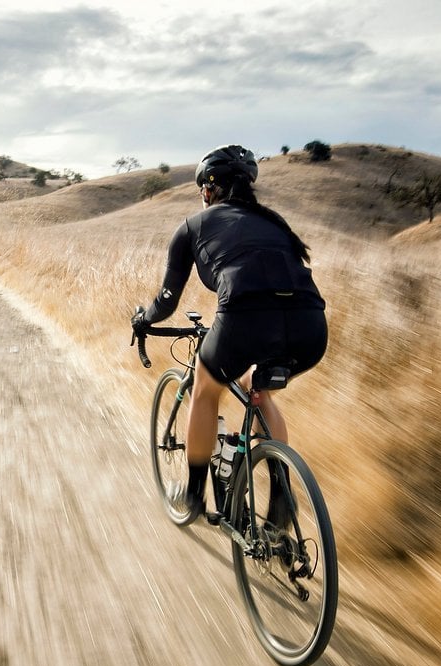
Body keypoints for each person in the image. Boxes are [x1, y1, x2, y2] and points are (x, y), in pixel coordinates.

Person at [131, 144, 327, 518]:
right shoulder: (275, 222)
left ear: (208, 189)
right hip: (310, 327)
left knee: (205, 389)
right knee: (260, 389)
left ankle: (192, 495)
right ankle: (282, 497)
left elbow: (167, 301)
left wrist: (144, 319)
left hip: (245, 320)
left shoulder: (192, 226)